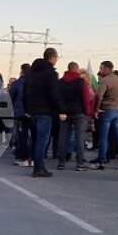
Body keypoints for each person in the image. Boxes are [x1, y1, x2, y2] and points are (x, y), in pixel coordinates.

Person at [24, 48, 66, 177]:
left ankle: (34, 163)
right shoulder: (51, 73)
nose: (57, 60)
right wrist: (61, 110)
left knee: (35, 138)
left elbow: (25, 92)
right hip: (45, 111)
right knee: (42, 140)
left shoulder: (31, 73)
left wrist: (27, 109)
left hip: (32, 111)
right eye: (56, 57)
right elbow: (54, 93)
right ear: (52, 58)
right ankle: (39, 168)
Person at [92, 60, 118, 170]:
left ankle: (101, 161)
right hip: (117, 110)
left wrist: (97, 109)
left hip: (107, 110)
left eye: (101, 68)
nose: (100, 70)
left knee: (103, 136)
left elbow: (99, 96)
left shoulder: (104, 81)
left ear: (107, 68)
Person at [57, 62, 88, 170]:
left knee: (63, 137)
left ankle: (61, 163)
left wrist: (60, 110)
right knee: (79, 138)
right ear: (76, 69)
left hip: (64, 113)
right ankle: (80, 164)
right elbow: (85, 97)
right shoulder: (81, 82)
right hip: (79, 112)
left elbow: (57, 98)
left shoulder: (60, 82)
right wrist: (86, 111)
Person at [8, 63, 32, 167]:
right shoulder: (34, 81)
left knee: (22, 135)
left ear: (21, 71)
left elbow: (10, 97)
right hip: (33, 112)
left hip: (20, 112)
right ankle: (32, 157)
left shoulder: (17, 83)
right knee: (33, 136)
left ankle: (23, 156)